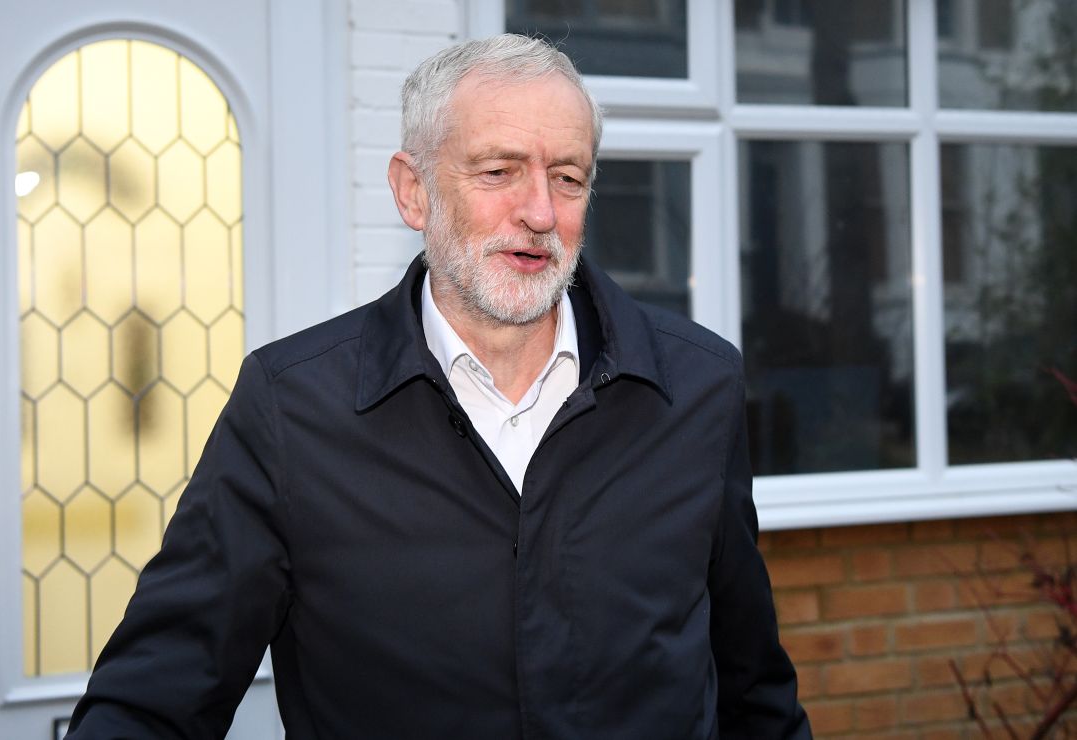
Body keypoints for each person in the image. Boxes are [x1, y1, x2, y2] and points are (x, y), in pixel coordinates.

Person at [67, 34, 810, 739]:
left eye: (568, 178)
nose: (541, 213)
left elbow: (754, 691)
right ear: (412, 191)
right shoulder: (293, 406)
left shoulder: (696, 387)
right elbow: (155, 694)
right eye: (498, 171)